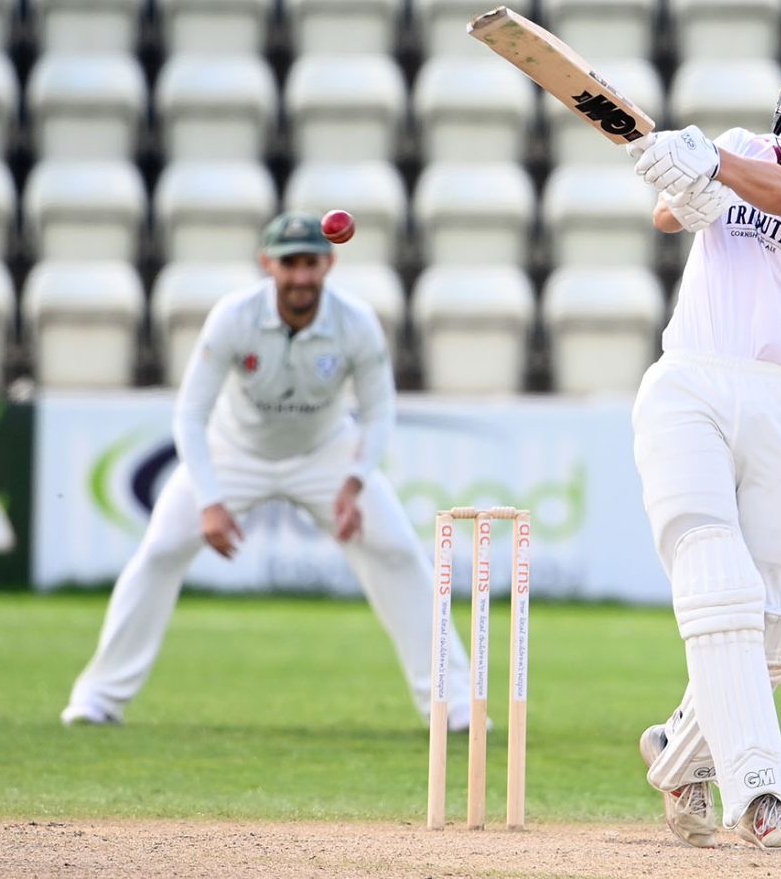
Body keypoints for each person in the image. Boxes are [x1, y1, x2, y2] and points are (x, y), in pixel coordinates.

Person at [61, 210, 475, 732]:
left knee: (397, 552)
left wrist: (353, 483)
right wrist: (210, 502)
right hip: (234, 450)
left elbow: (379, 412)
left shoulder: (356, 322)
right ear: (267, 264)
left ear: (328, 264)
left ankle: (454, 703)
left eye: (310, 263)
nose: (300, 276)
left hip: (325, 451)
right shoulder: (234, 317)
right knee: (160, 551)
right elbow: (190, 414)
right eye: (289, 263)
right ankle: (98, 698)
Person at [624, 48, 781, 851]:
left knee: (770, 635)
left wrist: (712, 162)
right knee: (719, 584)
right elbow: (669, 218)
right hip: (688, 385)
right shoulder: (739, 146)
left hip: (777, 400)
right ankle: (763, 796)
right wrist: (686, 186)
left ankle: (677, 750)